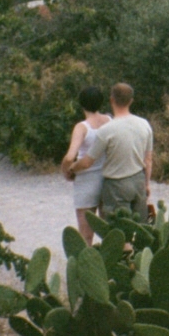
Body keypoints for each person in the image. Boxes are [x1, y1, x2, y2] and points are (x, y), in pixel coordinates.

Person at [67, 82, 153, 222]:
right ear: (131, 101)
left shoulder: (107, 130)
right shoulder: (144, 124)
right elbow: (148, 159)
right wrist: (147, 184)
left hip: (117, 184)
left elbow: (88, 161)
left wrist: (72, 168)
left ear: (111, 99)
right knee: (140, 227)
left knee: (119, 230)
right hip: (138, 179)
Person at [61, 85, 110, 243]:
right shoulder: (109, 120)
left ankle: (85, 265)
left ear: (81, 104)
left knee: (85, 234)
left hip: (86, 180)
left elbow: (70, 157)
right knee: (108, 231)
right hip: (107, 178)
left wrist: (67, 171)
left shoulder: (82, 127)